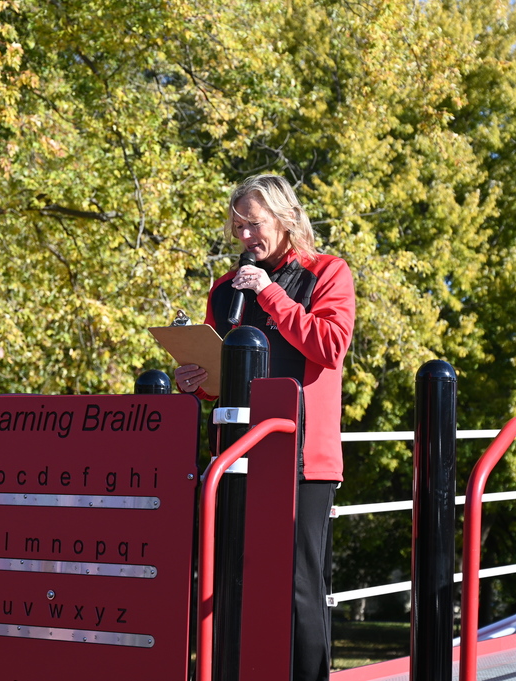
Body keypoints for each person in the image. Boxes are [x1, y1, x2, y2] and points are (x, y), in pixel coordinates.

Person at [175, 174, 356, 681]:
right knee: (230, 579)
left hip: (304, 459)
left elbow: (330, 347)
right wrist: (197, 380)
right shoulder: (225, 289)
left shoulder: (328, 272)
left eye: (253, 224)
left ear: (285, 217)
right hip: (237, 456)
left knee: (301, 587)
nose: (245, 237)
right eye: (237, 227)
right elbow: (224, 377)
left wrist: (271, 293)